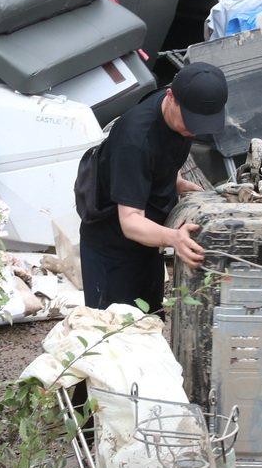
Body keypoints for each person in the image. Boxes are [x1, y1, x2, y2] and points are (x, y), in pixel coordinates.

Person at [78, 62, 229, 313]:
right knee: (115, 331)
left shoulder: (179, 115)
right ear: (170, 96)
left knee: (150, 318)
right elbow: (131, 222)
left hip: (149, 240)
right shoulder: (134, 140)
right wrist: (174, 238)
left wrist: (183, 187)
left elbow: (162, 158)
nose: (193, 131)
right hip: (113, 246)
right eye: (191, 121)